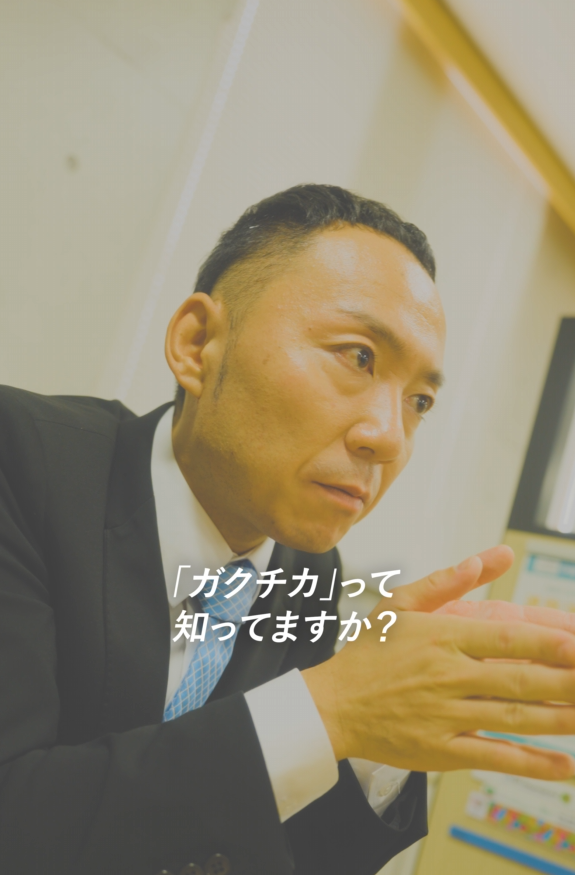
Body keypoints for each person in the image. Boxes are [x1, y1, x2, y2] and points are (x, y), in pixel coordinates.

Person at [2, 185, 575, 875]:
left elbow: (279, 842)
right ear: (197, 343)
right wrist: (334, 705)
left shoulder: (307, 568)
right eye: (357, 356)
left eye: (419, 400)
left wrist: (377, 743)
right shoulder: (19, 460)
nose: (389, 438)